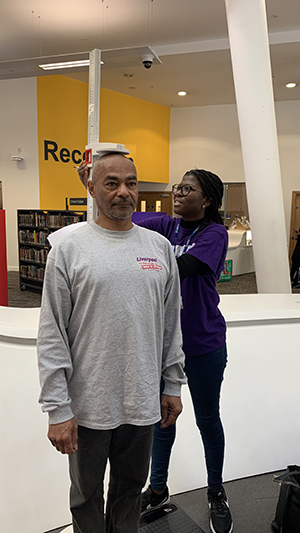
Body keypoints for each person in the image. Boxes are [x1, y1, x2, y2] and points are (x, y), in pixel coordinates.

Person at [78, 163, 232, 533]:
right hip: (162, 344)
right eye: (178, 187)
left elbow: (183, 267)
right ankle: (158, 488)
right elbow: (121, 211)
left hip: (203, 344)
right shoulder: (168, 226)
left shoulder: (214, 233)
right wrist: (94, 187)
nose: (178, 193)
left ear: (207, 200)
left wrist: (133, 264)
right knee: (161, 420)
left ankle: (215, 492)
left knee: (207, 420)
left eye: (188, 189)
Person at [37, 153, 186, 533]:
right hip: (86, 406)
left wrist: (171, 384)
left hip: (141, 399)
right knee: (86, 496)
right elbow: (52, 332)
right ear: (91, 187)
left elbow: (171, 325)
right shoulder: (68, 249)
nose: (123, 192)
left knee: (130, 490)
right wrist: (57, 407)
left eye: (131, 183)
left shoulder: (159, 248)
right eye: (111, 182)